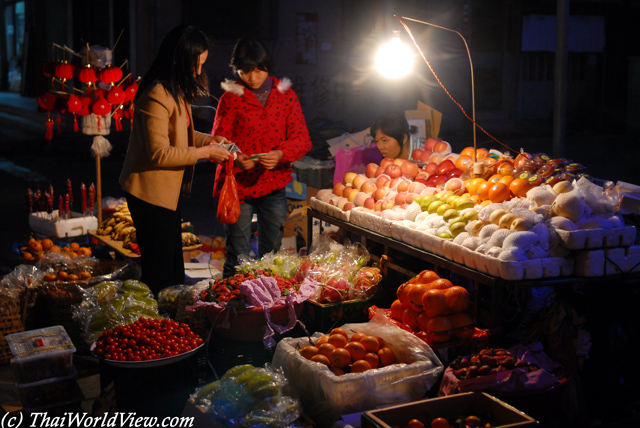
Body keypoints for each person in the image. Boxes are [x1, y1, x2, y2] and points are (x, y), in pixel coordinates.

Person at [119, 25, 231, 294]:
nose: (198, 71)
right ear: (178, 59)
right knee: (160, 273)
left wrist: (209, 140)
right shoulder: (156, 94)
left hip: (165, 196)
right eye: (195, 64)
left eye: (202, 64)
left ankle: (166, 324)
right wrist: (206, 153)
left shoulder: (174, 89)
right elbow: (159, 153)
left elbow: (182, 133)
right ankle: (152, 325)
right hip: (148, 195)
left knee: (172, 270)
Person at [211, 37, 312, 278]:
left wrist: (280, 154)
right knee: (238, 255)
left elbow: (302, 139)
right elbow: (218, 140)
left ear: (267, 66)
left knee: (272, 255)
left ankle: (270, 305)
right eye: (245, 71)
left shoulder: (286, 96)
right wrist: (236, 158)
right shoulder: (230, 98)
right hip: (239, 188)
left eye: (258, 70)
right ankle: (234, 307)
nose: (253, 77)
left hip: (273, 184)